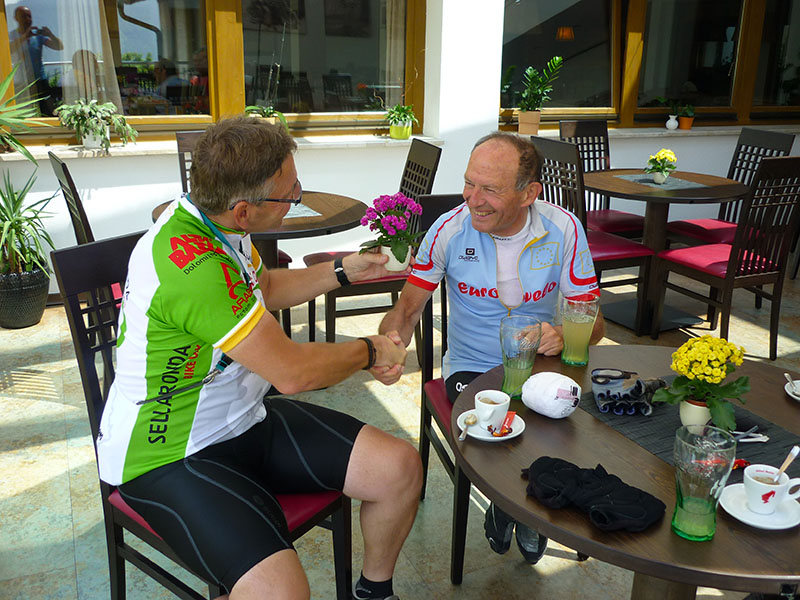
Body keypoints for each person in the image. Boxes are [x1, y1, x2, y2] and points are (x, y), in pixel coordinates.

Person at [104, 115, 422, 600]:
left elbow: (265, 287)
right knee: (280, 593)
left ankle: (374, 594)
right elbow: (292, 372)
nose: (297, 199)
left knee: (399, 468)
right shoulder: (192, 265)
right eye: (290, 195)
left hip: (243, 419)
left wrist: (343, 270)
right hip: (168, 453)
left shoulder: (214, 221)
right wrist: (369, 349)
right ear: (244, 210)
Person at [377, 131, 605, 565]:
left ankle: (525, 508)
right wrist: (389, 342)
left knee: (565, 425)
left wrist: (562, 331)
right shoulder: (448, 228)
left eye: (490, 189)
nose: (473, 199)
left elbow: (593, 322)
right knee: (502, 426)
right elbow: (407, 309)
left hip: (543, 363)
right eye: (469, 183)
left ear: (529, 193)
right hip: (473, 368)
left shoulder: (563, 228)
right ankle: (520, 506)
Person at [9, 5, 63, 115]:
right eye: (24, 16)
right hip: (21, 81)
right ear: (16, 18)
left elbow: (59, 47)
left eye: (29, 16)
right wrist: (24, 37)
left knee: (47, 110)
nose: (28, 19)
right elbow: (8, 50)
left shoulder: (38, 37)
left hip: (40, 79)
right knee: (22, 111)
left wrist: (50, 34)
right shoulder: (12, 36)